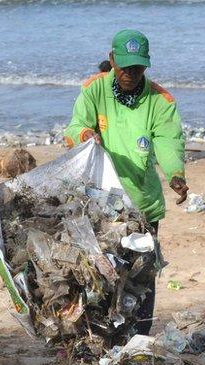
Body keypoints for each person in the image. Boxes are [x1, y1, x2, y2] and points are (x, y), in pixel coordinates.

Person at [64, 29, 187, 335]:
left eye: (137, 67)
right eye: (125, 67)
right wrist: (84, 134)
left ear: (146, 66)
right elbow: (74, 127)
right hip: (102, 203)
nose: (130, 74)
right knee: (103, 275)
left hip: (143, 205)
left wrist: (175, 174)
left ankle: (140, 338)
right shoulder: (95, 89)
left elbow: (169, 142)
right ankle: (106, 337)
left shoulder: (160, 100)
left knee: (141, 278)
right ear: (112, 60)